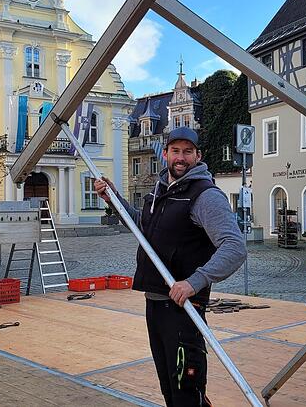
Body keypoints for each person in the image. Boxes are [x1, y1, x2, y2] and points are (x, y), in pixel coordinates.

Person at [94, 127, 245, 407]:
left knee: (186, 390)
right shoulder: (159, 191)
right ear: (165, 154)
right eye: (175, 151)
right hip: (156, 305)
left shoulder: (205, 195)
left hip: (184, 310)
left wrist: (194, 282)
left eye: (188, 151)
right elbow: (144, 227)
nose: (181, 157)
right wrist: (113, 199)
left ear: (198, 156)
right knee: (170, 390)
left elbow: (235, 247)